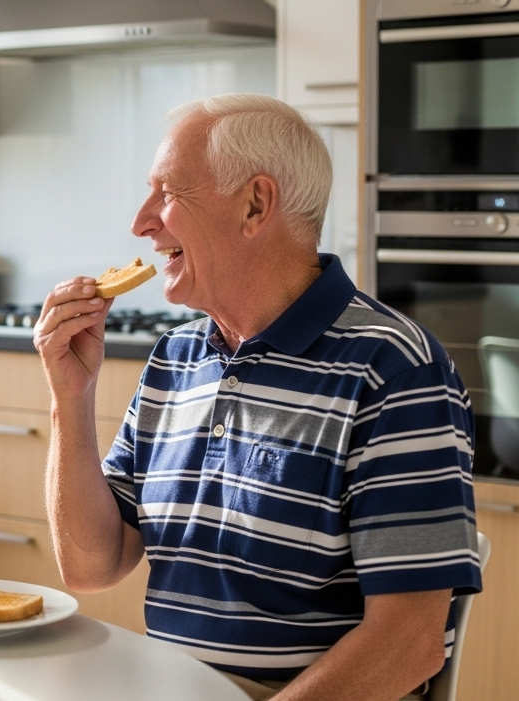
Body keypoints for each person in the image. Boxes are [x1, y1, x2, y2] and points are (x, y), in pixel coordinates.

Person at [35, 94, 481, 701]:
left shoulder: (393, 368)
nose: (141, 222)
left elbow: (409, 642)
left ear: (255, 204)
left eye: (167, 193)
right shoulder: (177, 357)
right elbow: (92, 566)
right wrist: (70, 396)